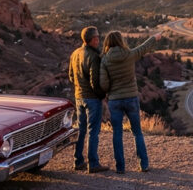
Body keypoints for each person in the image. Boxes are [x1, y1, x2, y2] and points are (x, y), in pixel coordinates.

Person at [100, 31, 162, 174]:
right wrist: (154, 37)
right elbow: (143, 48)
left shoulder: (105, 60)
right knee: (137, 132)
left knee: (117, 133)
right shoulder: (129, 55)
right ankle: (144, 164)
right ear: (121, 41)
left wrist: (112, 89)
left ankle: (120, 167)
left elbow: (103, 84)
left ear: (107, 43)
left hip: (115, 100)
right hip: (131, 98)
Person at [68, 26, 109, 173]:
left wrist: (80, 89)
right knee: (93, 131)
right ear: (90, 39)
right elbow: (95, 82)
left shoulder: (75, 53)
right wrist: (102, 96)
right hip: (92, 99)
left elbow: (71, 76)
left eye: (98, 37)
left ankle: (78, 161)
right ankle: (93, 163)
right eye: (96, 38)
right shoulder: (93, 56)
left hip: (79, 97)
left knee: (81, 130)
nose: (98, 40)